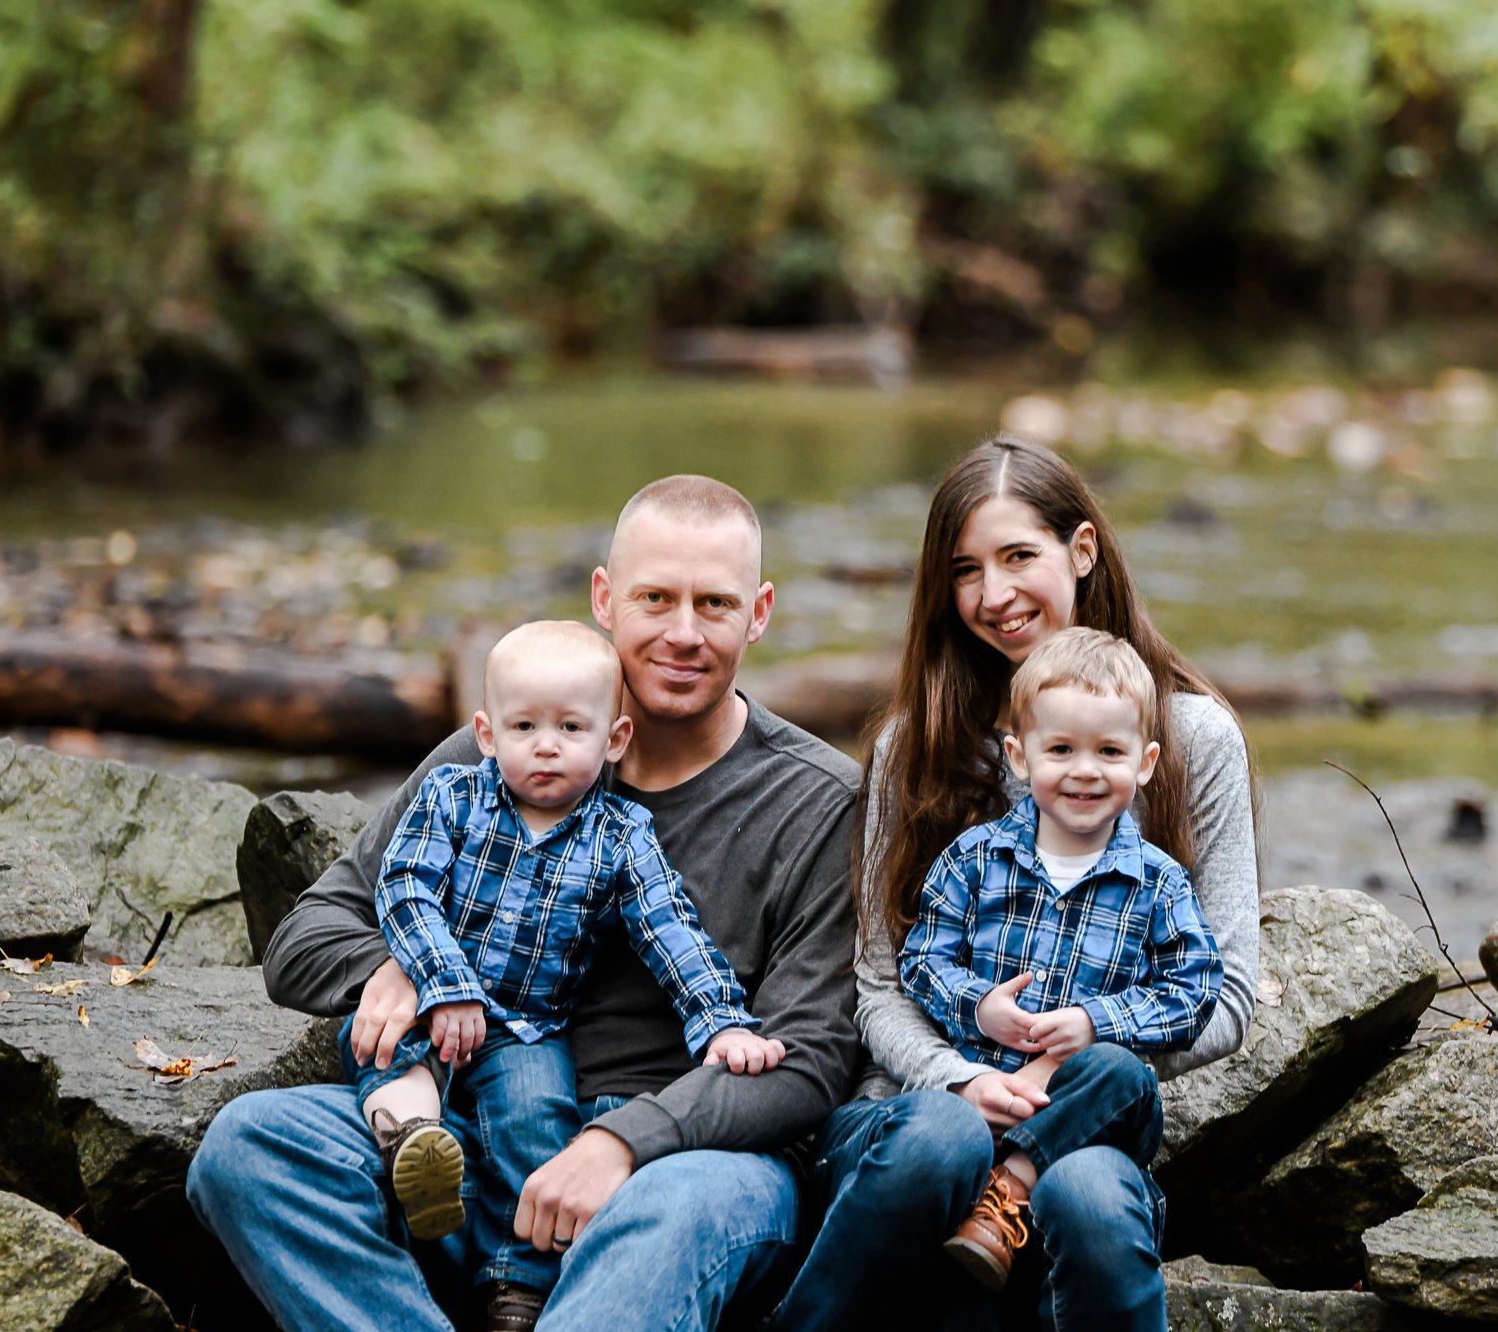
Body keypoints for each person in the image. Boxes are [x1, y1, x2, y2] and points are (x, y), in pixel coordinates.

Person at [188, 476, 863, 1332]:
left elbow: (808, 1060)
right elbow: (305, 938)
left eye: (715, 603)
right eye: (655, 597)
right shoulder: (500, 755)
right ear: (604, 597)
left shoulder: (819, 801)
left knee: (669, 1217)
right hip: (471, 1131)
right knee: (252, 1147)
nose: (682, 632)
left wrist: (624, 1142)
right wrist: (402, 967)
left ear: (759, 611)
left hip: (689, 1163)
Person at [767, 434, 1262, 1332]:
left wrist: (1059, 1075)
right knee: (942, 1140)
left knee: (1093, 1201)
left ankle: (1017, 1196)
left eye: (1018, 556)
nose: (993, 595)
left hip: (1091, 1122)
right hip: (915, 1109)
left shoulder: (1195, 741)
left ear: (1081, 551)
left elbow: (1223, 997)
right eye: (966, 569)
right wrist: (961, 1080)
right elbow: (880, 981)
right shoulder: (914, 747)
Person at [351, 621, 789, 1328]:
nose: (546, 743)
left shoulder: (621, 835)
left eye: (570, 727)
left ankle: (515, 1288)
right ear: (487, 734)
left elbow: (670, 931)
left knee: (538, 1118)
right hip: (431, 1004)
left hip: (527, 1026)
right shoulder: (451, 797)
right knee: (389, 1056)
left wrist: (722, 1022)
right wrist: (441, 980)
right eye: (524, 725)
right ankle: (413, 1137)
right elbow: (403, 887)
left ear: (613, 740)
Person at [899, 628, 1222, 1292]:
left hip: (1092, 1118)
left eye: (1109, 750)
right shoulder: (975, 859)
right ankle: (990, 1189)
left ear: (1146, 761)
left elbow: (1196, 989)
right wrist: (981, 1007)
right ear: (1020, 755)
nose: (1084, 769)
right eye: (1061, 749)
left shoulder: (1158, 881)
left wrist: (1096, 1020)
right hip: (986, 1093)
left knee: (1123, 1073)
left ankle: (1008, 1190)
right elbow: (923, 959)